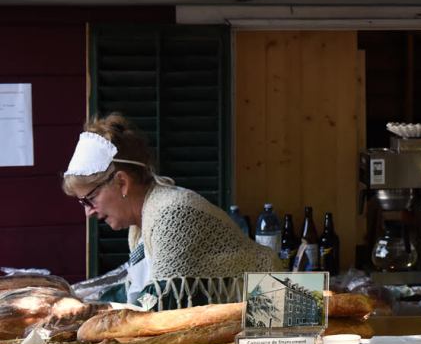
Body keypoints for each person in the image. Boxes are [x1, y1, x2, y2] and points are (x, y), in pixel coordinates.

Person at [62, 113, 274, 309]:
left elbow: (157, 300)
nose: (88, 213)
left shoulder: (172, 213)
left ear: (122, 182)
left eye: (89, 199)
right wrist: (82, 304)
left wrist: (92, 309)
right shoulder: (144, 221)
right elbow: (135, 289)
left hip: (272, 308)